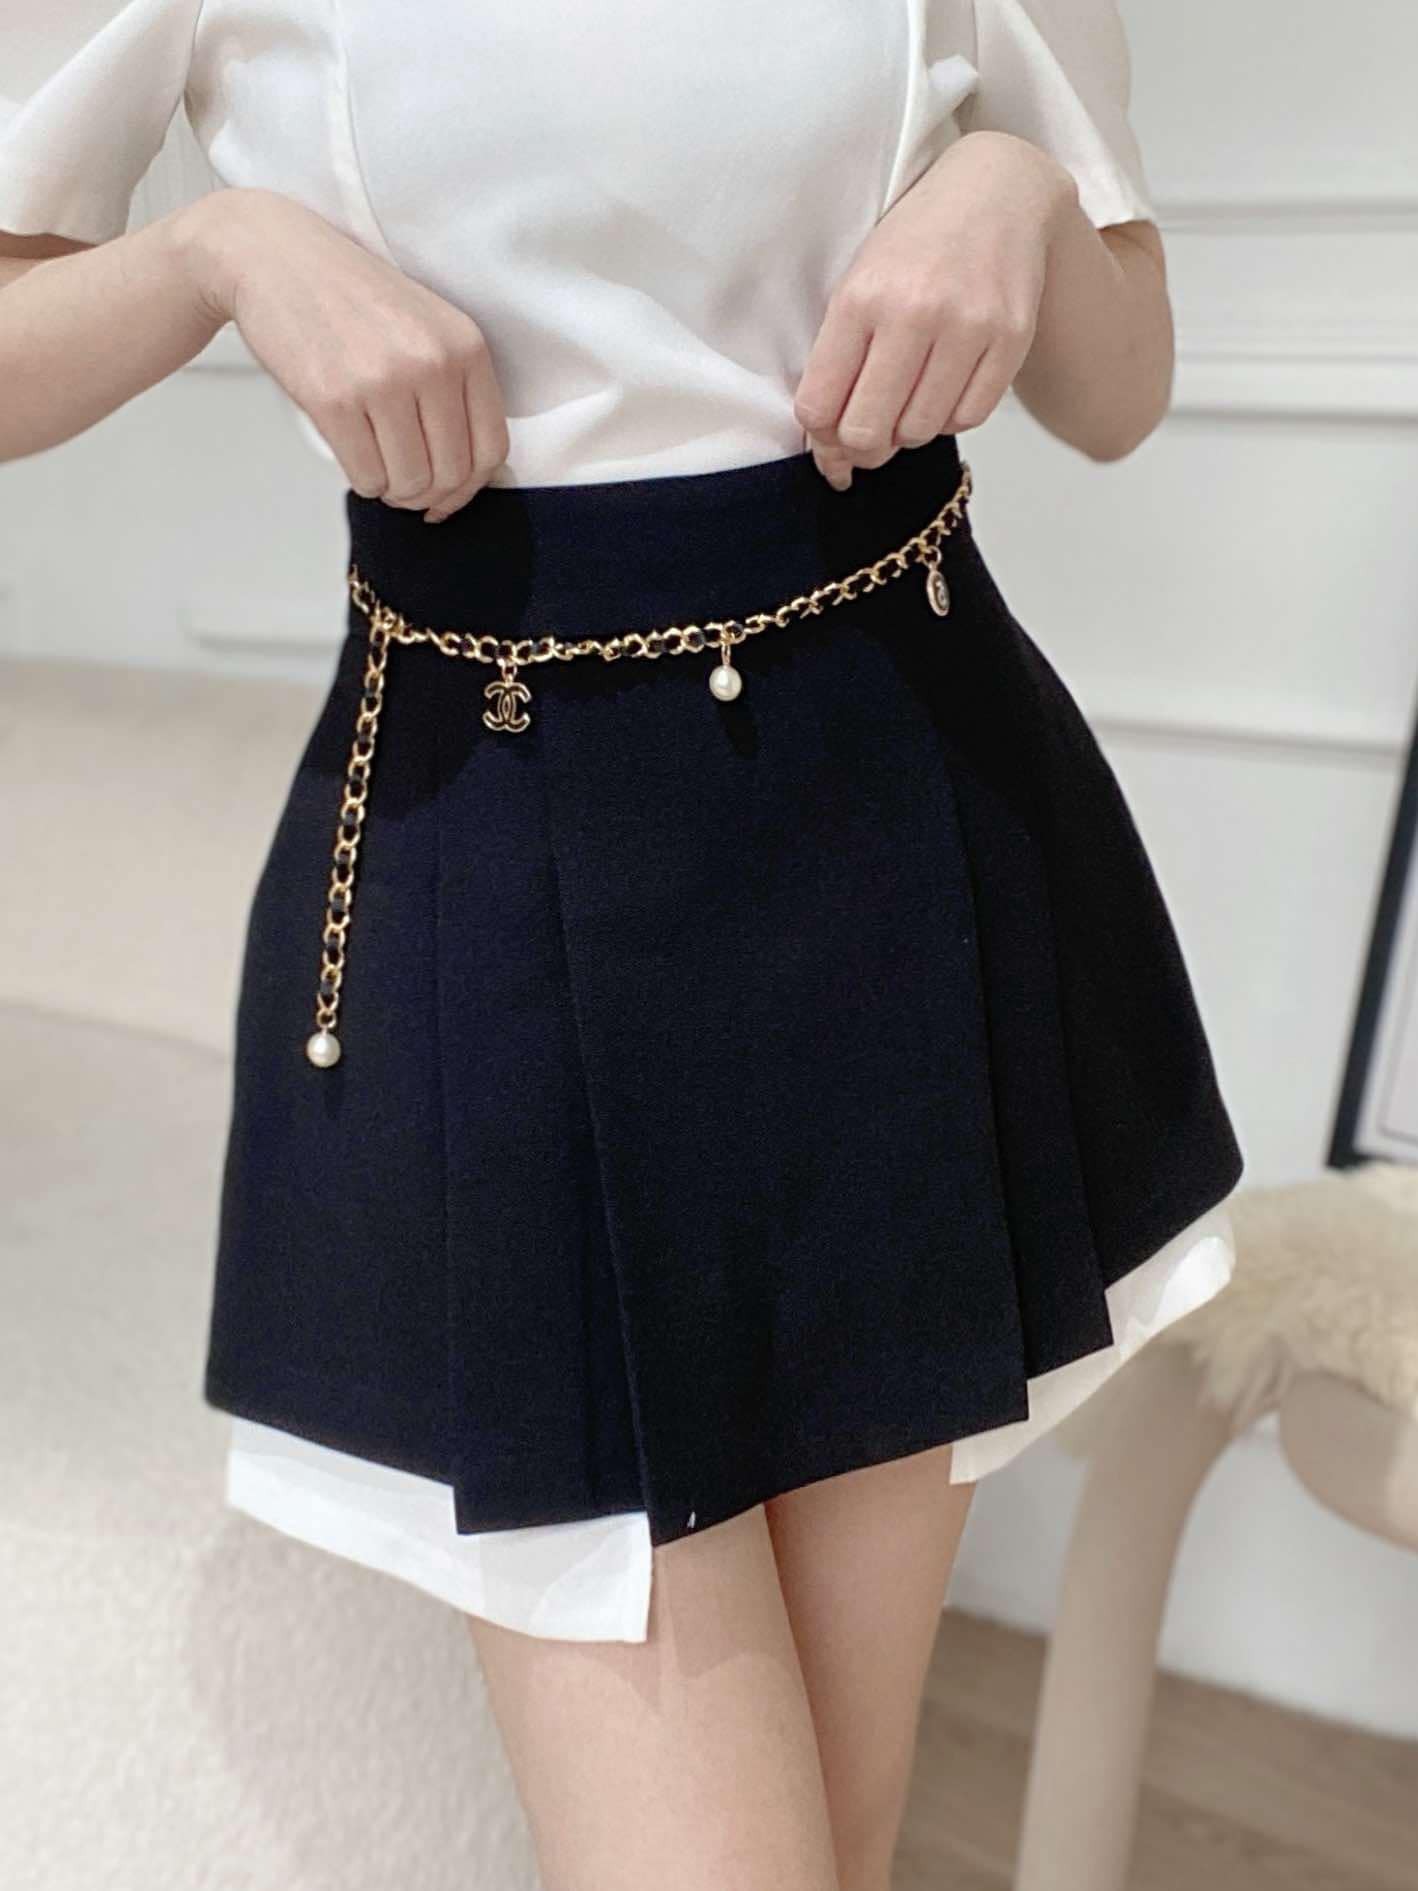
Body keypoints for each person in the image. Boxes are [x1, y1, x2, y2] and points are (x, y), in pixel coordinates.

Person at [0, 5, 1245, 1887]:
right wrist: (217, 252)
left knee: (844, 1836)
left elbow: (1119, 383)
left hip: (894, 827)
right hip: (494, 859)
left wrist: (1010, 183)